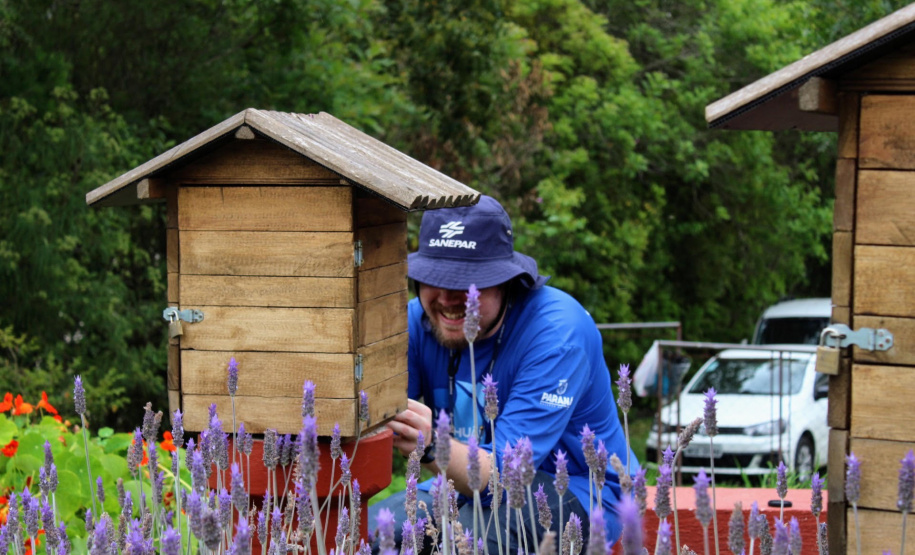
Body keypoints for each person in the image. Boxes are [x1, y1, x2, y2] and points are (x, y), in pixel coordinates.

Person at [371, 195, 638, 553]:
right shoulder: (419, 319)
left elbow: (503, 476)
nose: (450, 299)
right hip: (460, 487)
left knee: (469, 543)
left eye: (469, 283)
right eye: (436, 278)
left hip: (569, 490)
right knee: (372, 533)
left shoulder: (557, 335)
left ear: (506, 280)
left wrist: (433, 444)